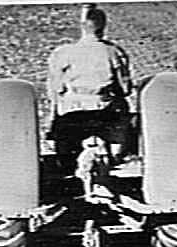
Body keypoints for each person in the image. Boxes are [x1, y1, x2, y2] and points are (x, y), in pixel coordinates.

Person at [47, 4, 133, 161]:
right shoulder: (113, 52)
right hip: (104, 110)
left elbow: (56, 88)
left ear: (82, 27)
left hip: (71, 111)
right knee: (124, 110)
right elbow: (125, 89)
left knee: (58, 116)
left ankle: (62, 151)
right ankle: (118, 153)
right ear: (103, 28)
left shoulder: (63, 52)